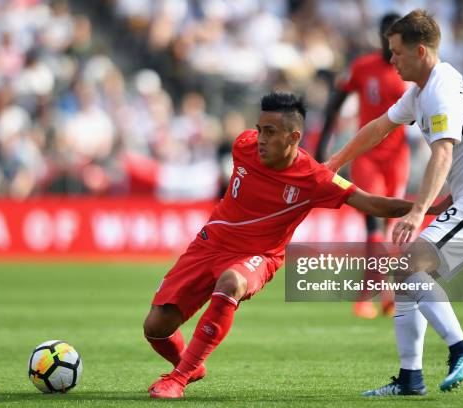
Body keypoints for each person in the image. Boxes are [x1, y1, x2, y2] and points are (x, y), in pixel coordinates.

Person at [144, 92, 432, 399]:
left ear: (294, 137)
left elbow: (374, 204)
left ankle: (180, 376)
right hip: (208, 244)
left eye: (269, 132)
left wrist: (431, 205)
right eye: (259, 129)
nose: (260, 139)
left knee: (231, 282)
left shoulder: (315, 178)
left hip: (259, 255)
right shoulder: (243, 145)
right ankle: (190, 364)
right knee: (155, 327)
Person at [327, 10, 463, 396]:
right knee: (407, 277)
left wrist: (415, 211)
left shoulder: (441, 89)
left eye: (396, 52)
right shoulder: (421, 91)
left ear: (421, 51)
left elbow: (442, 154)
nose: (390, 59)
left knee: (408, 266)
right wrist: (333, 163)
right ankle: (410, 379)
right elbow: (378, 128)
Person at [316, 12, 406, 319]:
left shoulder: (407, 70)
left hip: (398, 158)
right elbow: (335, 103)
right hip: (367, 155)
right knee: (373, 219)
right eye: (385, 34)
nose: (388, 40)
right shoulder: (362, 67)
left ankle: (385, 295)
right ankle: (369, 296)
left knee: (393, 224)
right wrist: (321, 146)